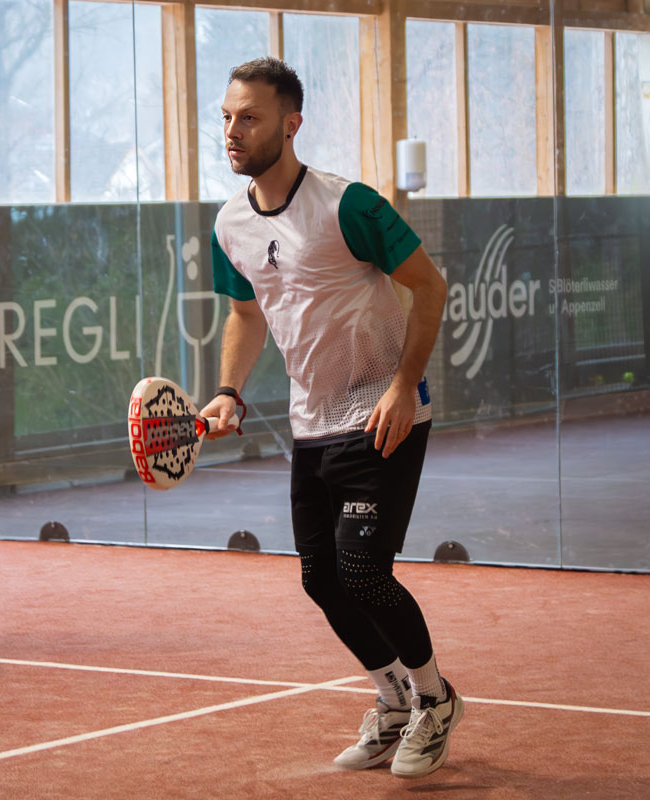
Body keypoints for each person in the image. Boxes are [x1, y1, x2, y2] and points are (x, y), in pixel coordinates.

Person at [200, 58, 459, 779]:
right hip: (311, 424)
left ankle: (436, 700)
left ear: (291, 123)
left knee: (362, 568)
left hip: (383, 413)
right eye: (225, 116)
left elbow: (429, 286)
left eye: (248, 117)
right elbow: (246, 314)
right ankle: (393, 701)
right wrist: (228, 390)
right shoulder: (229, 224)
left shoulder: (348, 205)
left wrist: (404, 385)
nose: (231, 130)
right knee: (321, 577)